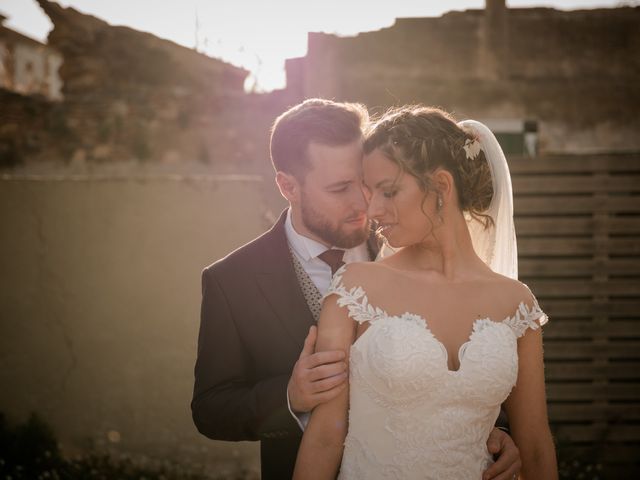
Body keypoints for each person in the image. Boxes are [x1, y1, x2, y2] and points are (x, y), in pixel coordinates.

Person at [192, 99, 521, 480]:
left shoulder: (412, 240)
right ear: (288, 186)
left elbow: (471, 358)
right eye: (340, 188)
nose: (363, 202)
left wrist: (496, 435)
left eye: (365, 182)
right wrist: (288, 398)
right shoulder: (232, 281)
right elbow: (210, 410)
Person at [293, 106, 558, 480]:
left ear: (441, 186)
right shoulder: (355, 288)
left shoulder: (517, 304)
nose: (372, 210)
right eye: (370, 194)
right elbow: (325, 438)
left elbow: (534, 445)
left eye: (388, 191)